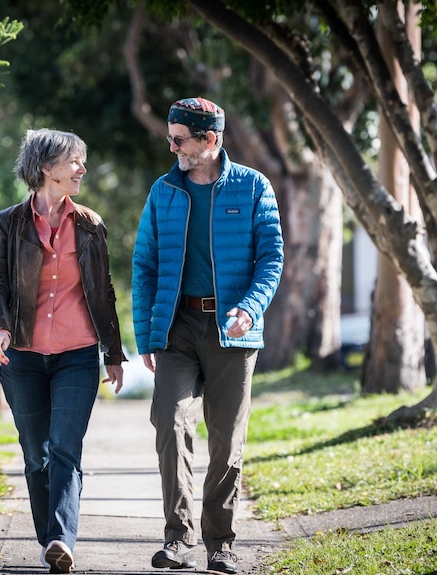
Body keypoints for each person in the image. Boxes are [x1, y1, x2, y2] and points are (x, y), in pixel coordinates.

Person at [132, 98, 284, 574]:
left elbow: (271, 259)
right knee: (169, 422)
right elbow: (145, 265)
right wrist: (147, 335)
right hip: (178, 328)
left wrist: (250, 308)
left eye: (179, 139)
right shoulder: (163, 191)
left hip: (233, 330)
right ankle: (178, 539)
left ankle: (221, 541)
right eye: (170, 137)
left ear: (210, 140)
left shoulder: (254, 186)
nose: (171, 145)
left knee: (226, 440)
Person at [0, 128, 126, 574]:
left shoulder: (90, 223)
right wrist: (0, 329)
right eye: (74, 161)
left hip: (76, 354)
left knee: (65, 447)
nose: (82, 169)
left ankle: (62, 538)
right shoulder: (9, 222)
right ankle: (50, 541)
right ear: (46, 168)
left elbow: (103, 291)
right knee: (35, 453)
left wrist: (114, 353)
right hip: (22, 355)